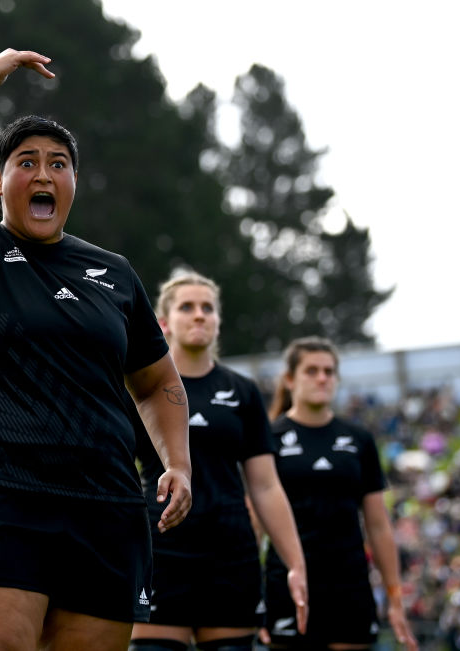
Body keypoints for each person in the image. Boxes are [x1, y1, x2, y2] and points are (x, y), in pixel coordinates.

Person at [0, 48, 192, 650]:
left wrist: (177, 461)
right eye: (26, 163)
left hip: (103, 508)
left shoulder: (115, 275)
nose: (44, 174)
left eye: (58, 164)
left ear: (74, 183)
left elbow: (155, 382)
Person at [130, 271, 307, 651]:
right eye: (187, 307)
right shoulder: (140, 387)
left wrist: (295, 563)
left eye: (207, 308)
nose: (199, 315)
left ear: (218, 321)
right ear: (164, 323)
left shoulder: (242, 393)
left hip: (230, 552)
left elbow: (264, 485)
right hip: (159, 550)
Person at [262, 336, 417, 650]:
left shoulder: (359, 439)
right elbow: (254, 518)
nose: (323, 378)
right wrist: (254, 595)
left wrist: (394, 597)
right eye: (312, 370)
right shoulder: (269, 438)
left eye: (329, 371)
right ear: (290, 379)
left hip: (349, 582)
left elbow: (377, 524)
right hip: (290, 582)